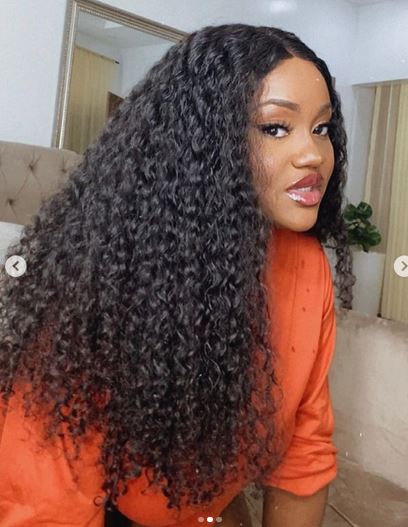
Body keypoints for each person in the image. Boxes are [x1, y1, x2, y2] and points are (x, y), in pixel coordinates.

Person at [0, 24, 355, 527]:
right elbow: (47, 507)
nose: (314, 154)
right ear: (205, 142)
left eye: (321, 128)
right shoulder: (105, 278)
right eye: (276, 127)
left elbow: (304, 451)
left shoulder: (307, 265)